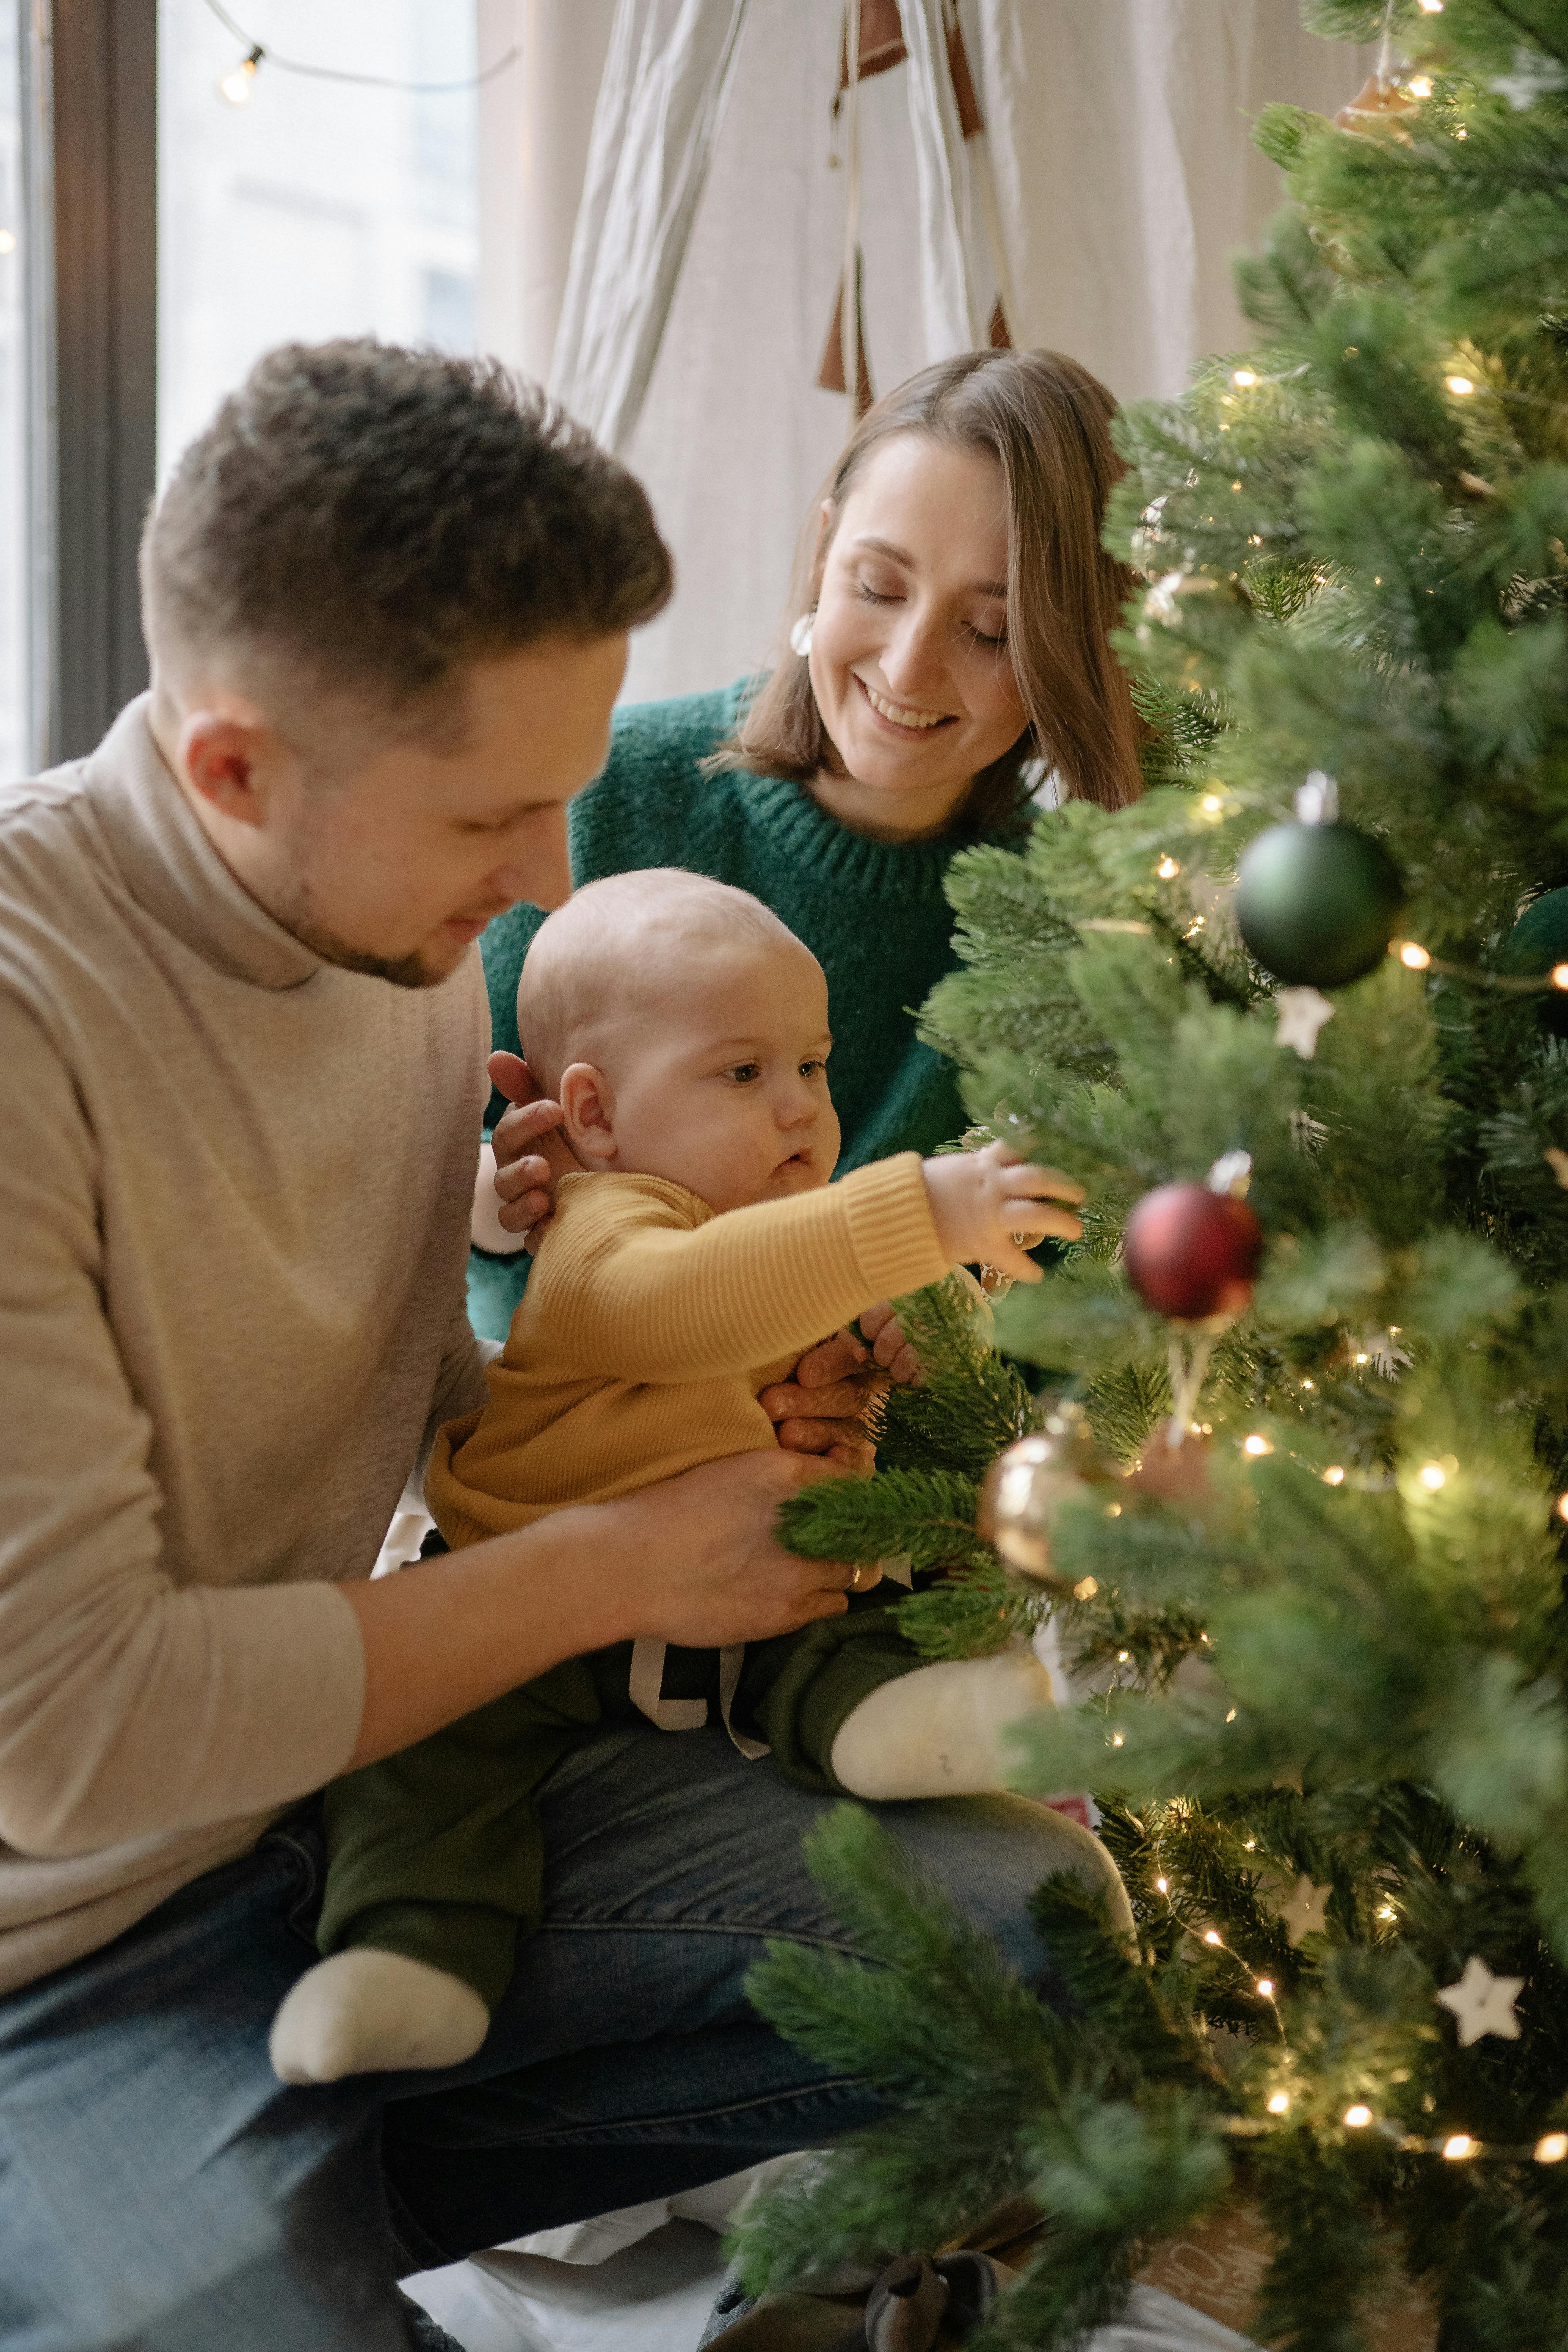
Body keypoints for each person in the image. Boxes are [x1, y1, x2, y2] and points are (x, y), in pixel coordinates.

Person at [0, 341, 1129, 2352]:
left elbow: (409, 1381)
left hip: (324, 1797)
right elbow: (77, 1737)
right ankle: (228, 2227)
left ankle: (290, 2198)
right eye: (498, 816)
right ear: (236, 770)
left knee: (1023, 1940)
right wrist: (621, 1562)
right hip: (59, 1943)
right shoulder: (32, 1032)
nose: (546, 876)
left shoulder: (394, 928)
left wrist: (663, 1400)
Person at [272, 870, 1085, 2088]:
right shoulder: (606, 1228)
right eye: (744, 1074)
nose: (804, 1111)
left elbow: (827, 1284)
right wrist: (910, 1215)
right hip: (533, 1615)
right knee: (422, 1768)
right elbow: (685, 1309)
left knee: (853, 1628)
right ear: (593, 1117)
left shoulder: (784, 1220)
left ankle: (904, 1732)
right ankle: (414, 1961)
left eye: (811, 1067)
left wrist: (925, 1317)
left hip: (765, 1605)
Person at [477, 346, 1143, 1396]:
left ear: (1066, 654)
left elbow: (1078, 1341)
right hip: (571, 1462)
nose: (909, 667)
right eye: (878, 587)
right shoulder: (605, 796)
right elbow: (456, 1225)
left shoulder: (1077, 943)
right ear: (824, 551)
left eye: (988, 630)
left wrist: (966, 1353)